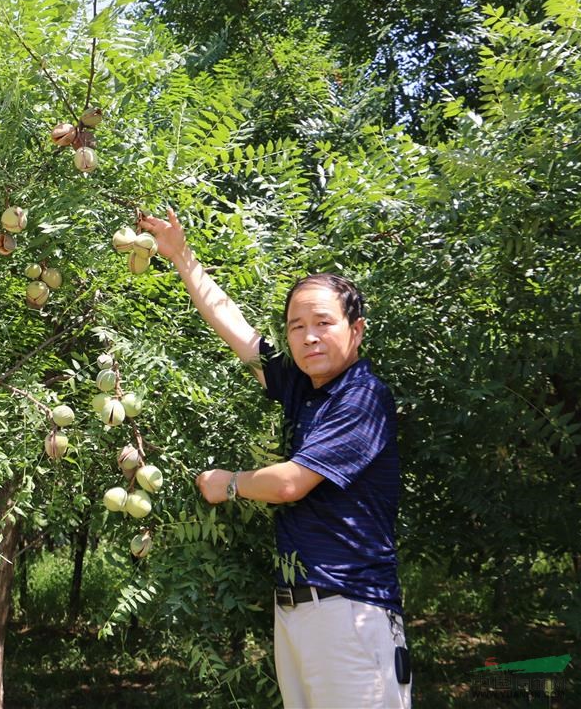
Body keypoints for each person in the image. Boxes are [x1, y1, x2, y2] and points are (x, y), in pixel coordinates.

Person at [139, 207, 411, 709]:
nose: (308, 337)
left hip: (350, 611)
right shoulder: (303, 389)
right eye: (296, 326)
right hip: (297, 608)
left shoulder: (362, 397)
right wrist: (180, 255)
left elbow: (291, 483)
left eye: (323, 323)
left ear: (357, 330)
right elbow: (237, 330)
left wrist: (231, 483)